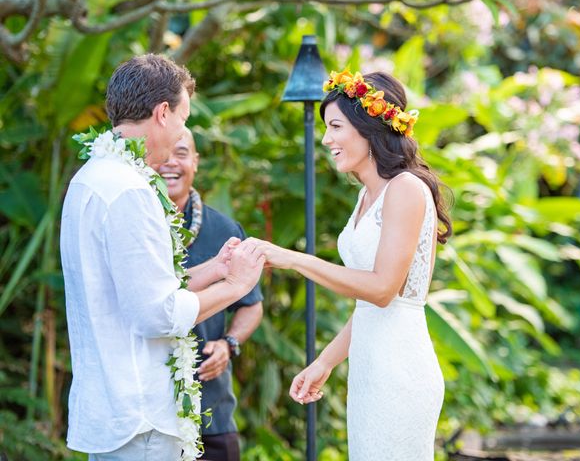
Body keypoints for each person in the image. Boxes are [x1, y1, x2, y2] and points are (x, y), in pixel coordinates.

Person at [60, 54, 265, 461]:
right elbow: (157, 314)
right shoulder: (131, 191)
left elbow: (137, 291)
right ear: (163, 112)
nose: (182, 132)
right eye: (183, 119)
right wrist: (237, 285)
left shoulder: (91, 178)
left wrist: (214, 269)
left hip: (114, 409)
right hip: (142, 418)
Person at [253, 70, 453, 460]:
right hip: (369, 369)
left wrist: (295, 259)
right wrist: (324, 363)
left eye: (336, 127)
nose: (327, 139)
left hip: (400, 370)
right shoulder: (367, 196)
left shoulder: (406, 189)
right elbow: (368, 307)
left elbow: (382, 290)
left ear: (368, 128)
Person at [158, 128, 263, 461]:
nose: (170, 163)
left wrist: (229, 343)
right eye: (163, 154)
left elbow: (252, 305)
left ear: (196, 162)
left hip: (211, 411)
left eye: (182, 153)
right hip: (150, 412)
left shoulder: (225, 230)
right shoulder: (136, 223)